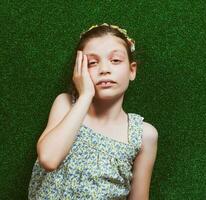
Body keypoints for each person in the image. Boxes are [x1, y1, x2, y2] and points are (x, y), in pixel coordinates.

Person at [28, 23, 158, 199]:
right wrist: (85, 95)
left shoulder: (143, 135)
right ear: (78, 70)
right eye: (92, 63)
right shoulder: (65, 105)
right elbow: (49, 159)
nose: (104, 69)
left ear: (132, 70)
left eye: (116, 60)